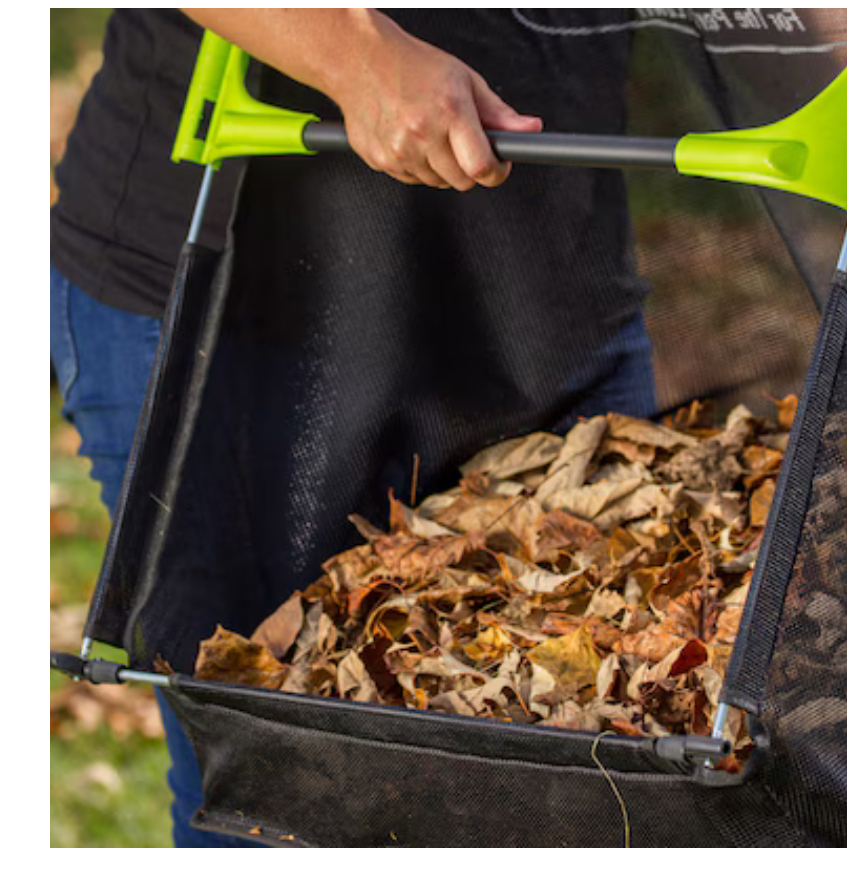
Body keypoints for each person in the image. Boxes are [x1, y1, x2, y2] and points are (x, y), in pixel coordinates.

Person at [51, 8, 655, 847]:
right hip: (240, 298)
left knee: (594, 776)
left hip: (547, 284)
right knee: (280, 796)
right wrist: (357, 56)